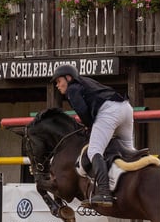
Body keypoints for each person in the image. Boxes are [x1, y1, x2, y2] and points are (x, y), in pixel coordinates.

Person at [51, 64, 135, 207]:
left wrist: (89, 126)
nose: (57, 85)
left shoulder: (72, 89)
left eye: (59, 81)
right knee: (128, 150)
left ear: (68, 78)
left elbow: (83, 112)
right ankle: (133, 182)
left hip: (109, 112)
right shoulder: (85, 81)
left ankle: (104, 192)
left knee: (94, 151)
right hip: (126, 108)